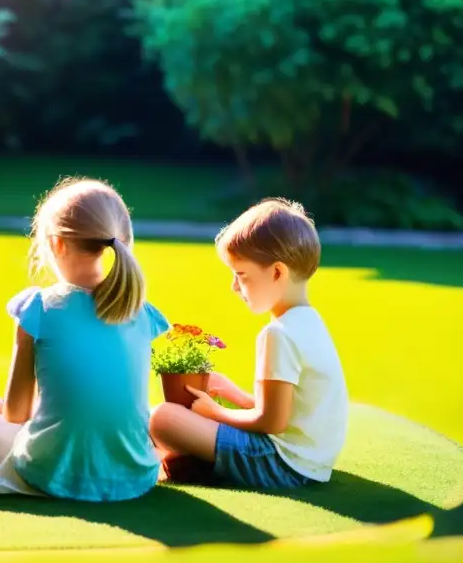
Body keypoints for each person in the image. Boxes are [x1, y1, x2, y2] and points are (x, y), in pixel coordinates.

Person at [0, 178, 169, 501]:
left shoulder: (38, 309)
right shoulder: (142, 313)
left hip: (53, 476)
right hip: (136, 479)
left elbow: (15, 414)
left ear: (57, 244)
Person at [149, 198, 348, 489]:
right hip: (311, 462)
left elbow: (272, 423)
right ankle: (186, 459)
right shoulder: (309, 322)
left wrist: (215, 412)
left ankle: (171, 460)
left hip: (281, 463)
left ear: (277, 272)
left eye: (241, 275)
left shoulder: (277, 334)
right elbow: (287, 410)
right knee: (212, 383)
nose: (233, 286)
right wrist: (237, 395)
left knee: (163, 419)